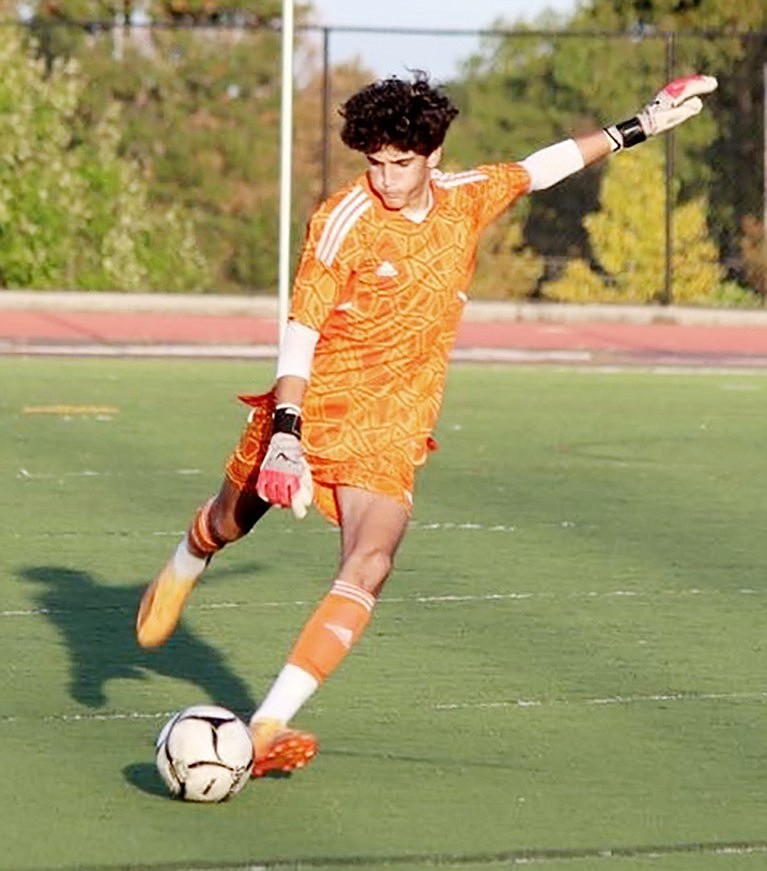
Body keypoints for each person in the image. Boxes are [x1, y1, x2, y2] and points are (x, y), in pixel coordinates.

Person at [135, 71, 717, 776]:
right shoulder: (341, 217)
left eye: (399, 162)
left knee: (371, 562)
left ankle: (265, 726)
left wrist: (641, 124)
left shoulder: (464, 199)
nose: (384, 176)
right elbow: (301, 325)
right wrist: (285, 431)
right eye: (373, 161)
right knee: (231, 520)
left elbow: (539, 167)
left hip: (391, 427)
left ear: (433, 155)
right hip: (315, 405)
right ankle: (186, 560)